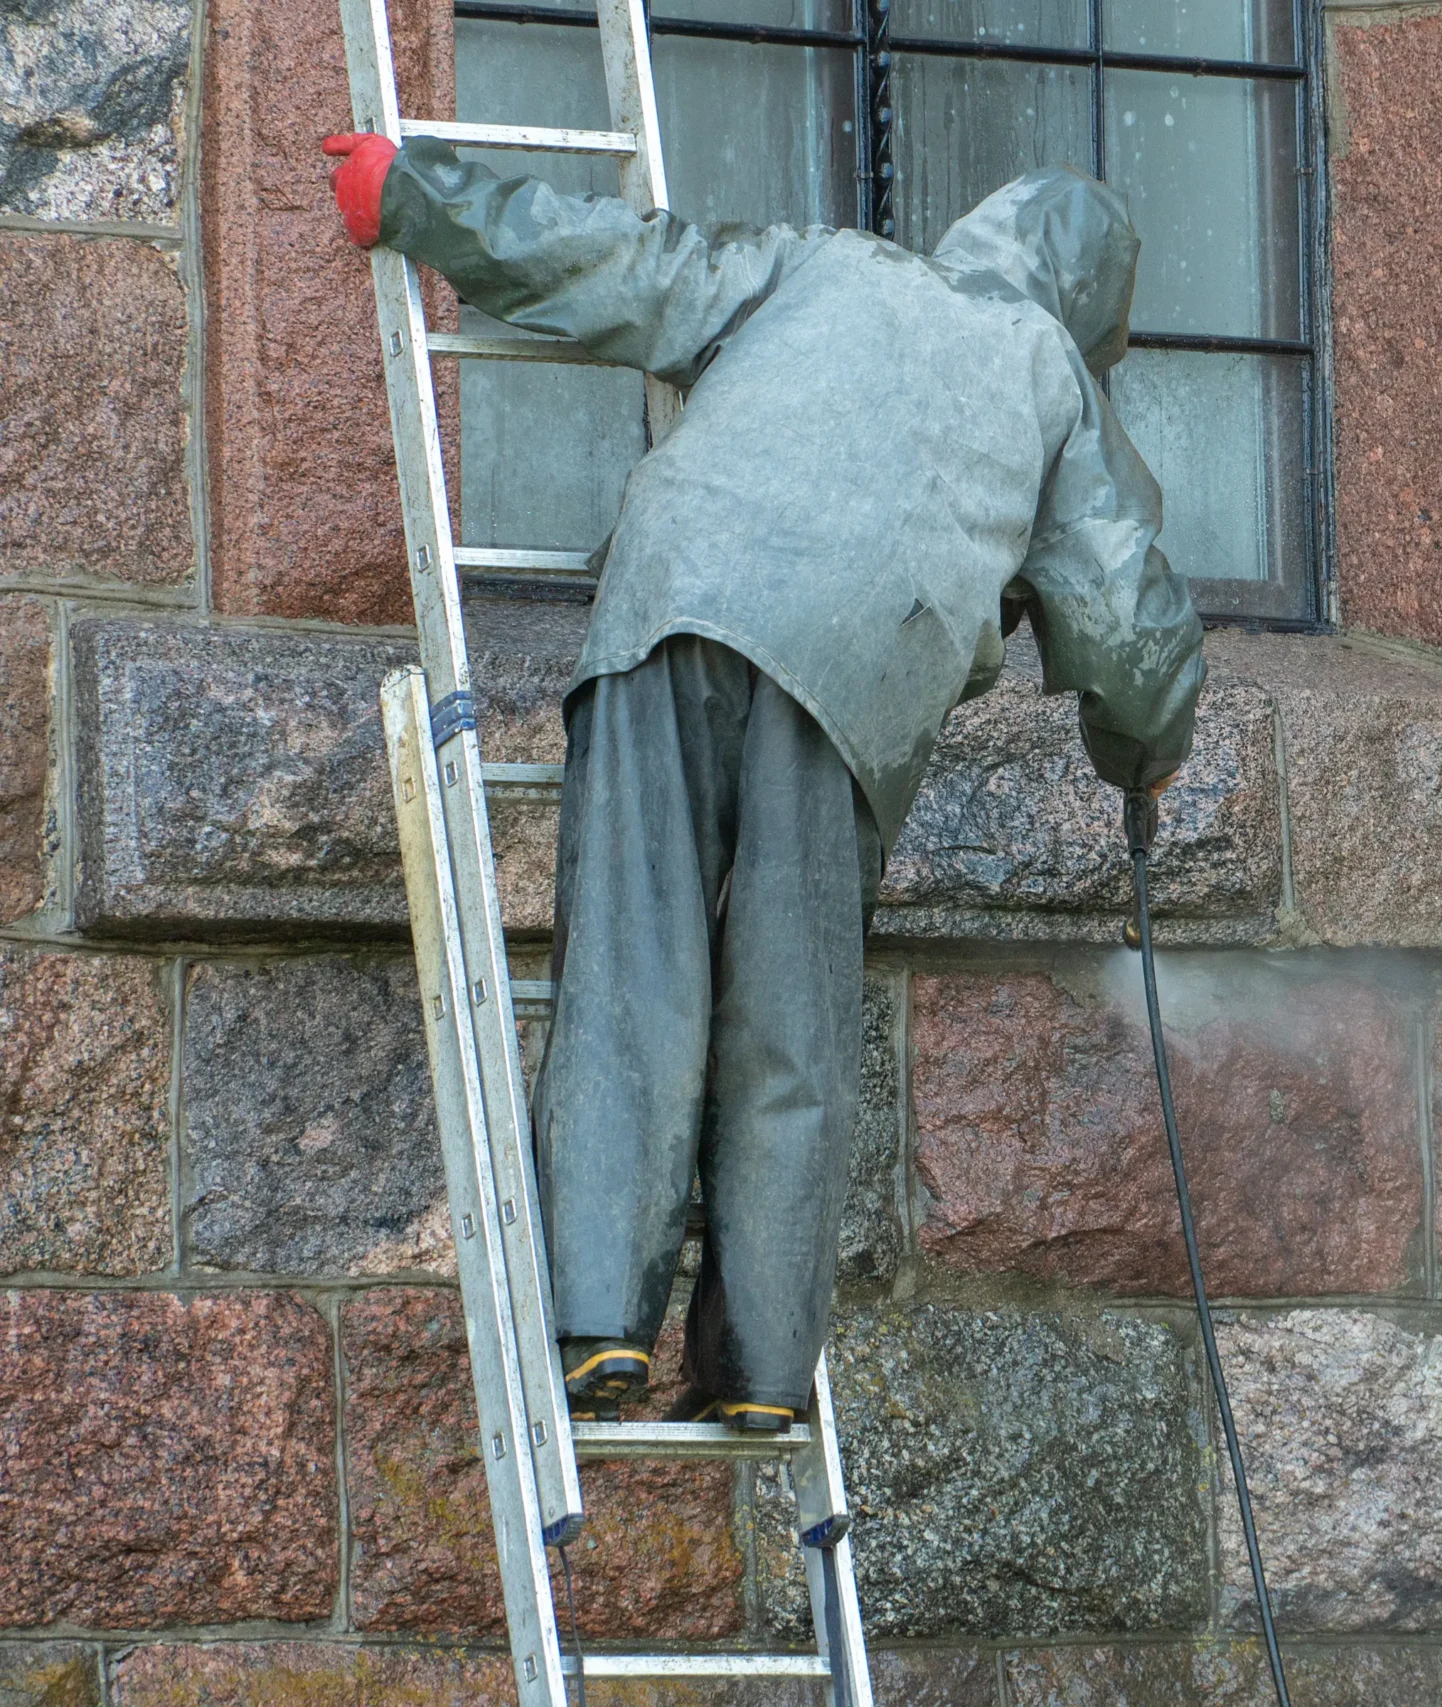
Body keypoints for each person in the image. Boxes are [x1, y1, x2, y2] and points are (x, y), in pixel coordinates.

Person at [321, 131, 1203, 1432]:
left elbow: (615, 262)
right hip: (853, 675)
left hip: (674, 599)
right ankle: (756, 1371)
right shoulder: (1052, 379)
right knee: (787, 1026)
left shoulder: (822, 266)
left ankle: (594, 1325)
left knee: (633, 965)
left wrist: (414, 196)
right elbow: (1130, 637)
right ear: (1090, 309)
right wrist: (1139, 763)